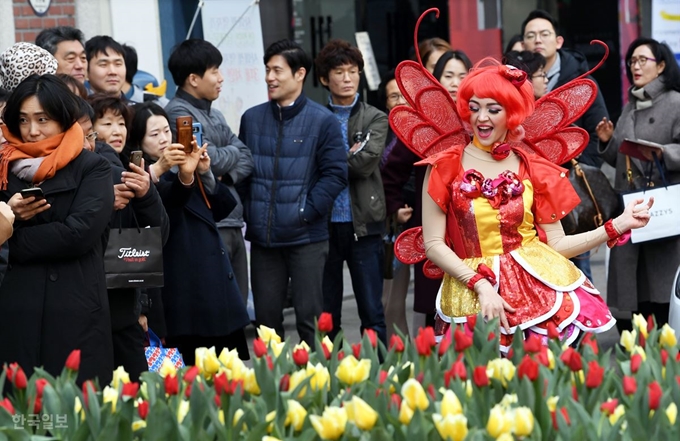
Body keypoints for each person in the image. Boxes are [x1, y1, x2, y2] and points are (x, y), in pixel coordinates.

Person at [414, 61, 652, 350]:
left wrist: (616, 226)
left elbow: (558, 245)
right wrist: (479, 284)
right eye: (474, 107)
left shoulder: (532, 166)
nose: (481, 118)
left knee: (542, 387)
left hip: (537, 292)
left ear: (512, 113)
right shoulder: (445, 165)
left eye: (493, 109)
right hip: (472, 292)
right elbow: (434, 244)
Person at [0, 74, 114, 383]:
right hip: (16, 307)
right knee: (23, 414)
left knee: (74, 412)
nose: (32, 130)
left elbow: (78, 235)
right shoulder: (4, 168)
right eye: (23, 120)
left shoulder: (92, 167)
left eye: (42, 119)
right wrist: (11, 214)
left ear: (62, 119)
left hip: (74, 306)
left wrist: (12, 237)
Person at [239, 39, 347, 345]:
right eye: (267, 70)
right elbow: (245, 171)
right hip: (264, 239)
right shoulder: (252, 118)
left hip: (306, 239)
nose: (270, 77)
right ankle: (271, 390)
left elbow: (335, 174)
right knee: (267, 325)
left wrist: (306, 211)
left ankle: (320, 388)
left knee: (311, 321)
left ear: (299, 74)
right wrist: (251, 210)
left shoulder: (322, 120)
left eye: (277, 70)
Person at [126, 102, 250, 362]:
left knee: (226, 376)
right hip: (182, 290)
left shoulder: (181, 168)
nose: (163, 139)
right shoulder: (139, 177)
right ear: (138, 140)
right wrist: (178, 175)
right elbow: (168, 205)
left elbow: (221, 209)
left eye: (166, 131)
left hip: (212, 285)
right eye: (154, 134)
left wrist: (204, 174)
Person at [382, 50, 473, 333]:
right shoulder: (423, 121)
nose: (456, 83)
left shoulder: (483, 117)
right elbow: (391, 171)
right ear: (436, 80)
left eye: (462, 76)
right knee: (437, 305)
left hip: (477, 229)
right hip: (435, 227)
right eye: (449, 75)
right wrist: (396, 207)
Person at [596, 38, 680, 328]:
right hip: (631, 209)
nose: (635, 66)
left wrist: (663, 152)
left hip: (662, 209)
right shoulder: (630, 106)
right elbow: (623, 159)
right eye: (632, 61)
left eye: (642, 60)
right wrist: (608, 142)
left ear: (661, 65)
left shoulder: (675, 102)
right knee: (631, 296)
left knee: (661, 292)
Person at [521, 9, 610, 280]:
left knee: (577, 266)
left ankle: (585, 321)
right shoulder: (516, 84)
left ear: (558, 41)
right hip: (528, 191)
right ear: (523, 44)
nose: (538, 40)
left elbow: (597, 133)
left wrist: (580, 174)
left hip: (569, 191)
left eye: (544, 34)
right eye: (530, 35)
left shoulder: (582, 81)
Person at [165, 39, 253, 305]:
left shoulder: (215, 115)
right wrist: (223, 158)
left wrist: (226, 171)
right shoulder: (178, 113)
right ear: (193, 79)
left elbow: (246, 155)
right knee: (220, 305)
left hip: (233, 220)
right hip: (209, 221)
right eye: (214, 71)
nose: (221, 78)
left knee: (239, 307)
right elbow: (208, 158)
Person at [315, 39, 388, 344]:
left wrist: (330, 159)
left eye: (353, 71)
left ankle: (382, 377)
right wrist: (348, 152)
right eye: (339, 72)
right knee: (327, 313)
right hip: (324, 226)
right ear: (324, 78)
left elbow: (364, 164)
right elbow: (311, 166)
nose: (347, 78)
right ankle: (331, 377)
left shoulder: (375, 117)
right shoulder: (315, 118)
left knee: (372, 311)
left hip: (365, 227)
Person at [379, 70, 413, 339]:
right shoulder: (379, 132)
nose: (400, 100)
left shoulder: (421, 129)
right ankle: (400, 353)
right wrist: (394, 208)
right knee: (391, 299)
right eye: (393, 95)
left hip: (420, 217)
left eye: (404, 94)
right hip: (392, 226)